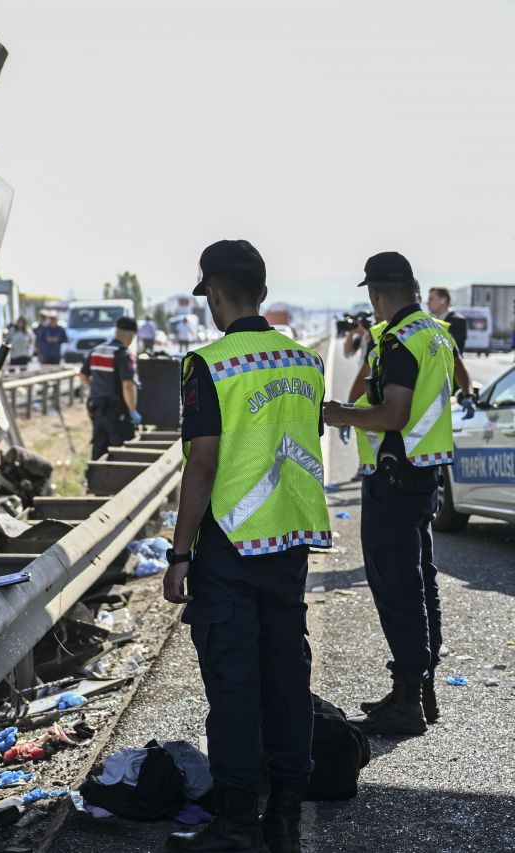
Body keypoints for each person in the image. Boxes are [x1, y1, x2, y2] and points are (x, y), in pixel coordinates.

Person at [163, 239, 330, 853]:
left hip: (229, 549)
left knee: (234, 691)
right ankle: (284, 818)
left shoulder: (209, 363)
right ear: (262, 290)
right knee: (288, 680)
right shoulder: (306, 363)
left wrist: (180, 554)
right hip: (287, 545)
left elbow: (202, 463)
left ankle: (237, 826)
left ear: (212, 292)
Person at [323, 252, 475, 738]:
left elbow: (393, 415)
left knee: (396, 585)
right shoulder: (436, 333)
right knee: (420, 580)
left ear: (375, 294)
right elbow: (460, 381)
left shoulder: (400, 341)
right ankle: (420, 690)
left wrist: (340, 414)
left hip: (395, 473)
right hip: (423, 475)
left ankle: (408, 699)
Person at [81, 316, 142, 462]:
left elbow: (83, 375)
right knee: (121, 451)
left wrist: (94, 389)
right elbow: (128, 386)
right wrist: (133, 411)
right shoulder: (124, 355)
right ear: (130, 335)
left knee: (99, 448)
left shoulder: (96, 351)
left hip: (97, 409)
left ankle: (94, 481)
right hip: (117, 412)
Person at [426, 286, 468, 354]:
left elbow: (453, 350)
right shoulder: (430, 321)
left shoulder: (458, 321)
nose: (428, 302)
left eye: (431, 299)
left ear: (443, 300)